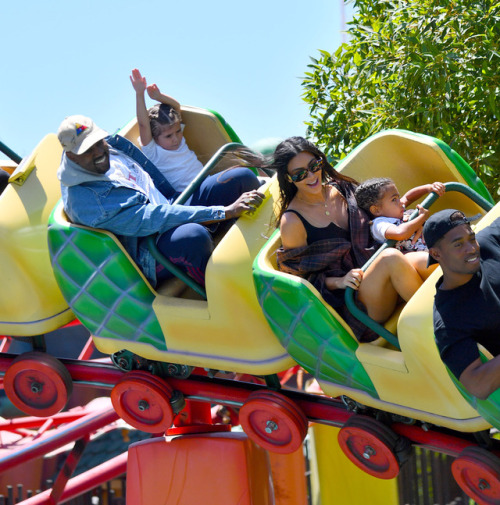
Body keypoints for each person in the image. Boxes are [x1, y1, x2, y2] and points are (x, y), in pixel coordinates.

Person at [57, 115, 263, 288]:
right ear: (71, 157)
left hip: (174, 203)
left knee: (241, 178)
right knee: (193, 237)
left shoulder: (111, 145)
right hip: (152, 243)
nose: (99, 152)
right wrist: (223, 212)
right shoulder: (87, 202)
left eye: (98, 142)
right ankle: (225, 295)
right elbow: (154, 218)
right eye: (87, 150)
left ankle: (257, 253)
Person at [273, 136, 424, 341]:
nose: (311, 176)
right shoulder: (292, 222)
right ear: (289, 179)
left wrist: (406, 219)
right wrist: (340, 281)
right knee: (390, 258)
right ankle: (441, 324)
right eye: (300, 174)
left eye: (314, 165)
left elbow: (380, 213)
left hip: (392, 265)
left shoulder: (344, 188)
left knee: (425, 257)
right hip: (357, 302)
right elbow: (302, 284)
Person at [424, 208, 500, 399]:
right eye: (458, 245)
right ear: (436, 254)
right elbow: (476, 385)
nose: (472, 248)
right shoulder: (448, 318)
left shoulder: (486, 243)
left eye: (471, 239)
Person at [355, 177, 445, 279]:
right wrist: (421, 217)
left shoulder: (395, 210)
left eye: (398, 197)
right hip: (415, 260)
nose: (401, 202)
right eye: (394, 199)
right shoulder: (379, 224)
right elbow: (400, 233)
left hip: (429, 247)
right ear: (376, 210)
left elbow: (408, 197)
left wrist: (429, 188)